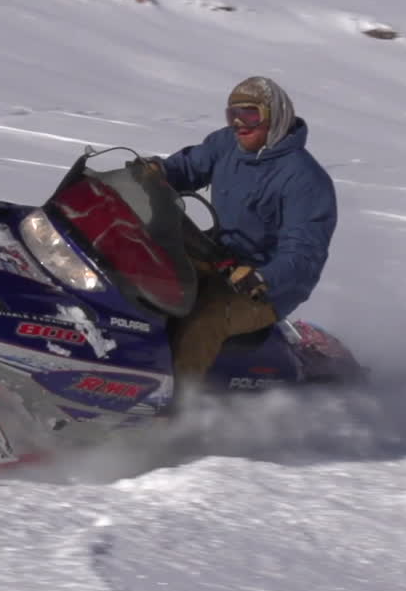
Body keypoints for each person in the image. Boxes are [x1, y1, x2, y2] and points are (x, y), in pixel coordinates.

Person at [132, 76, 337, 390]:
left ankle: (176, 404)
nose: (240, 123)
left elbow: (303, 255)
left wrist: (262, 277)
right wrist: (158, 171)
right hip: (219, 256)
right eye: (233, 114)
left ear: (276, 117)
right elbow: (188, 168)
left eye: (250, 114)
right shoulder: (226, 144)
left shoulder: (305, 180)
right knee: (143, 265)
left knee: (203, 321)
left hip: (264, 289)